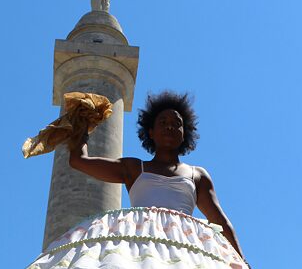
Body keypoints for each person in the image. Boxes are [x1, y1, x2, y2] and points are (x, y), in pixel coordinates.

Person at [28, 91, 248, 269]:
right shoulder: (133, 168)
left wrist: (241, 260)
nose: (170, 126)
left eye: (176, 123)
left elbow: (219, 220)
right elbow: (79, 161)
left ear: (185, 132)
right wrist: (81, 127)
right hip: (140, 241)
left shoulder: (198, 175)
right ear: (150, 132)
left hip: (186, 243)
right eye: (163, 122)